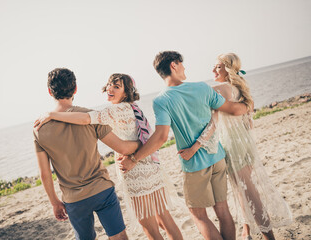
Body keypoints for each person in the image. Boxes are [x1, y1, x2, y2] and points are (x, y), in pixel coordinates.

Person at [34, 73, 184, 240]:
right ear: (75, 88)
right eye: (110, 85)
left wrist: (52, 115)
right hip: (147, 169)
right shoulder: (132, 107)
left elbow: (85, 119)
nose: (110, 88)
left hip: (134, 174)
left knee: (149, 226)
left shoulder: (112, 111)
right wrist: (141, 144)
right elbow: (133, 141)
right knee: (164, 220)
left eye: (117, 86)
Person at [119, 51, 249, 240]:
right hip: (217, 158)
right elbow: (232, 109)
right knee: (223, 211)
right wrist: (248, 103)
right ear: (173, 65)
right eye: (182, 64)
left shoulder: (162, 100)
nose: (184, 67)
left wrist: (134, 159)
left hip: (195, 165)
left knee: (199, 216)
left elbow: (161, 137)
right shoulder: (203, 88)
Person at [181, 53, 292, 240]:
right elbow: (249, 122)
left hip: (233, 146)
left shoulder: (221, 88)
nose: (213, 70)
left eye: (218, 67)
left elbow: (208, 112)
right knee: (243, 189)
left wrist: (194, 146)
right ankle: (247, 230)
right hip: (245, 143)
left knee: (249, 192)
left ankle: (269, 237)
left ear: (228, 69)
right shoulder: (239, 88)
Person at [33, 68, 141, 240]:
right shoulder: (91, 116)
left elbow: (45, 174)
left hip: (74, 199)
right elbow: (122, 148)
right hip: (102, 190)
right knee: (119, 236)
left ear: (49, 91)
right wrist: (143, 142)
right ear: (75, 88)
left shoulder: (39, 129)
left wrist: (54, 202)